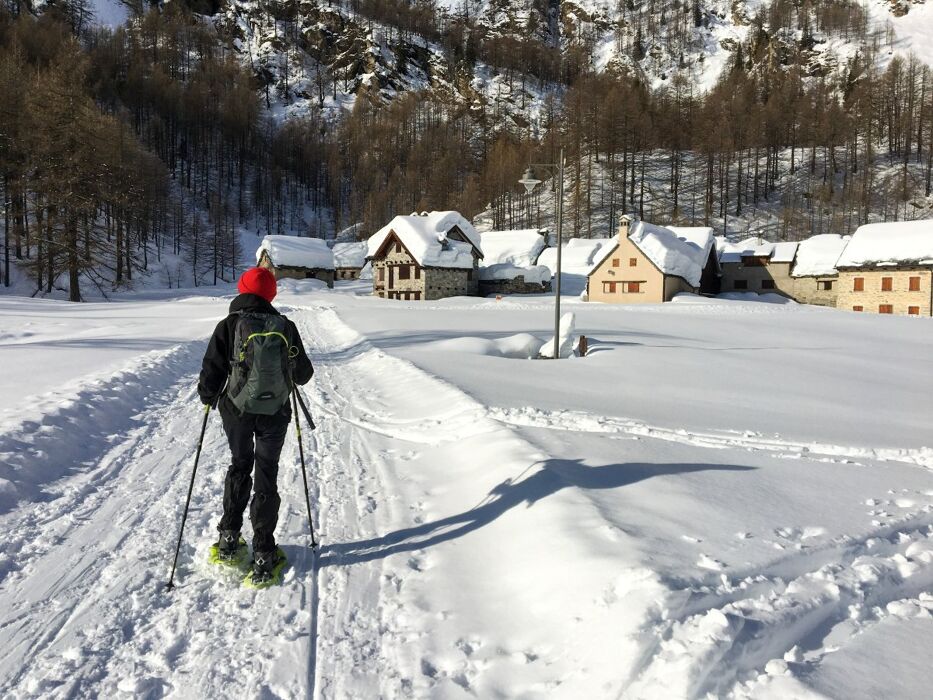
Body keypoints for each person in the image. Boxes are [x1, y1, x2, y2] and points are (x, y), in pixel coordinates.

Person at [197, 266, 314, 582]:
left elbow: (212, 371)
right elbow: (304, 374)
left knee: (239, 465)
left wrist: (208, 397)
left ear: (242, 290)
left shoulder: (230, 324)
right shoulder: (285, 326)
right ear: (271, 295)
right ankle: (264, 553)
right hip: (275, 412)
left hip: (236, 410)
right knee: (266, 473)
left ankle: (229, 539)